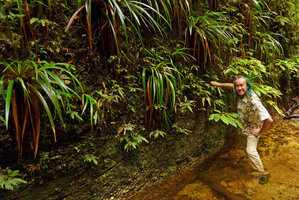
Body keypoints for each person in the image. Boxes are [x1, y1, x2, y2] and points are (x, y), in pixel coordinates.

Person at [210, 76, 273, 182]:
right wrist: (218, 84)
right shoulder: (241, 91)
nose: (239, 88)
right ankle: (255, 163)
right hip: (245, 127)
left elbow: (269, 120)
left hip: (253, 128)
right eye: (237, 86)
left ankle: (262, 173)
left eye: (241, 85)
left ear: (247, 86)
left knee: (250, 151)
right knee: (246, 148)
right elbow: (232, 86)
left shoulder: (254, 101)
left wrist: (259, 132)